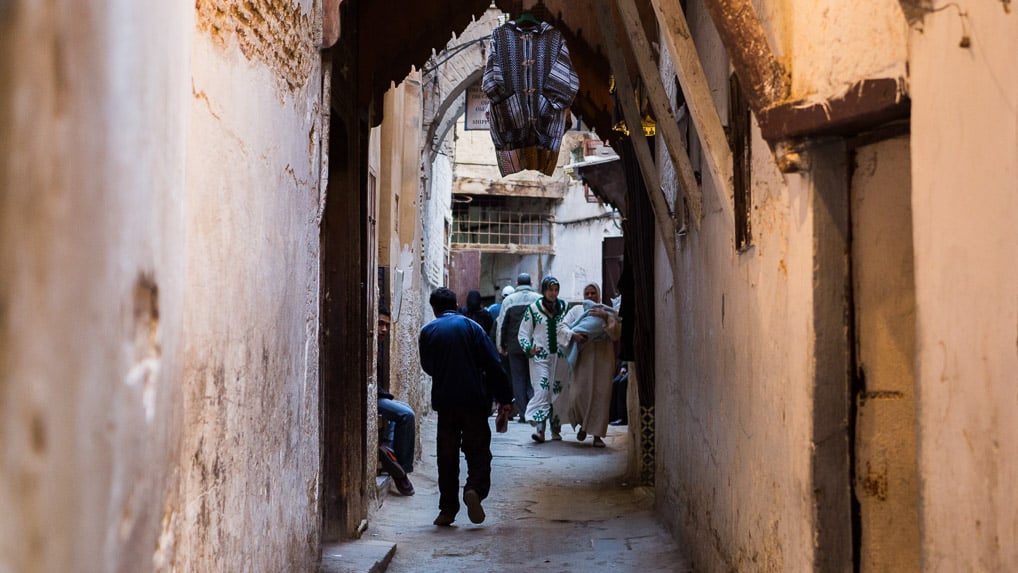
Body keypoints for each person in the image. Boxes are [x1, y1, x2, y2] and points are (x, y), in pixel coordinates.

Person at [419, 287, 514, 527]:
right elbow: (494, 364)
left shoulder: (428, 331)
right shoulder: (473, 328)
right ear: (456, 303)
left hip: (445, 402)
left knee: (447, 456)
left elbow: (428, 366)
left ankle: (448, 510)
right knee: (478, 450)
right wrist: (505, 399)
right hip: (474, 400)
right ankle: (474, 489)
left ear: (434, 308)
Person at [519, 275, 583, 443]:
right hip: (540, 357)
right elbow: (523, 333)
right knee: (542, 390)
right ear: (544, 290)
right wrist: (529, 348)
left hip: (561, 358)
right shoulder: (533, 309)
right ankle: (540, 430)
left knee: (559, 393)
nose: (553, 293)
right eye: (550, 289)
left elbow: (575, 325)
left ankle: (556, 429)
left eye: (556, 290)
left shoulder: (565, 307)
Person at [560, 282, 621, 448]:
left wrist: (605, 317)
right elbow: (562, 327)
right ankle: (583, 425)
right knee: (578, 395)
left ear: (598, 294)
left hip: (603, 360)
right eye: (587, 293)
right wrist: (574, 335)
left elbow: (616, 334)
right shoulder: (576, 311)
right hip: (583, 361)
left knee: (600, 398)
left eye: (593, 293)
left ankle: (597, 436)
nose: (590, 296)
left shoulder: (607, 311)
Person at [376, 306, 416, 495]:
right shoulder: (370, 345)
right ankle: (402, 472)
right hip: (372, 400)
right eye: (380, 324)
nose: (384, 329)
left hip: (377, 397)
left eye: (386, 325)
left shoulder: (379, 347)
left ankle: (389, 448)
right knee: (405, 414)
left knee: (404, 407)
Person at [496, 273, 541, 422]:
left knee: (518, 379)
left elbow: (502, 325)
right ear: (531, 282)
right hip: (535, 346)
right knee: (533, 378)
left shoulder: (509, 301)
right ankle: (534, 412)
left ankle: (523, 413)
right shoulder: (538, 299)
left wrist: (501, 345)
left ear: (517, 283)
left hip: (515, 346)